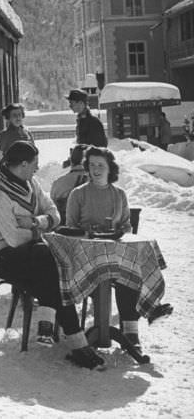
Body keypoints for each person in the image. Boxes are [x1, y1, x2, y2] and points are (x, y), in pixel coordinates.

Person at [0, 140, 105, 369]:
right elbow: (13, 239)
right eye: (34, 164)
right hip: (9, 258)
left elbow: (54, 215)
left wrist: (33, 222)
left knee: (46, 257)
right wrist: (40, 229)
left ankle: (52, 324)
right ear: (21, 165)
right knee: (47, 257)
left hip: (39, 256)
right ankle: (76, 342)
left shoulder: (32, 184)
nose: (37, 169)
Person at [66, 146, 172, 350]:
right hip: (85, 260)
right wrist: (87, 231)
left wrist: (116, 232)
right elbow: (70, 229)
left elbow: (126, 227)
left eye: (100, 165)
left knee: (130, 271)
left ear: (110, 169)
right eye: (92, 164)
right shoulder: (77, 194)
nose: (95, 169)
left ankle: (131, 332)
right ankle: (148, 311)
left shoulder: (119, 194)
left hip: (112, 255)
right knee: (121, 268)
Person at [50, 144, 88, 224]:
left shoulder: (58, 183)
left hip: (66, 231)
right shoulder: (100, 183)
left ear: (71, 160)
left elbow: (52, 209)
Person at [0, 103, 35, 169]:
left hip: (27, 171)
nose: (18, 118)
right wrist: (4, 173)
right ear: (8, 118)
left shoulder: (27, 133)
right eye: (14, 115)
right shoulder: (3, 135)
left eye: (19, 115)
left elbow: (34, 154)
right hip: (11, 172)